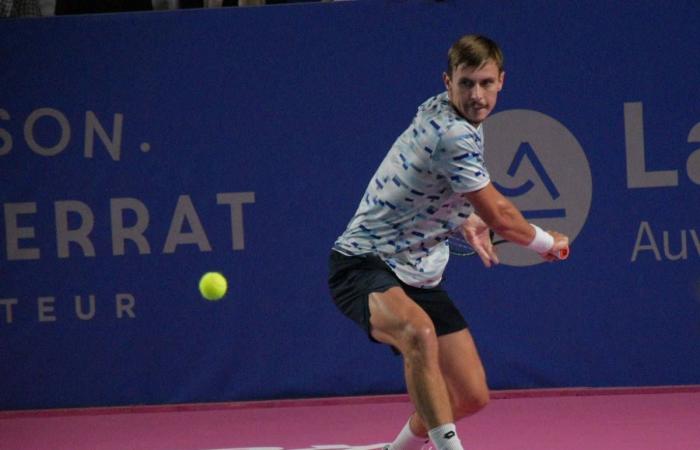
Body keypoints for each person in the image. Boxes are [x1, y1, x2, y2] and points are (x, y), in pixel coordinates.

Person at [327, 34, 569, 450]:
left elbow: (432, 188)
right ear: (447, 82)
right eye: (466, 84)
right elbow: (502, 216)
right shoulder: (453, 134)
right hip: (363, 263)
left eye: (486, 83)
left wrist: (463, 218)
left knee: (471, 396)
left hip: (419, 273)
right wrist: (546, 242)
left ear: (501, 82)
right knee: (417, 332)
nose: (477, 95)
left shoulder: (453, 119)